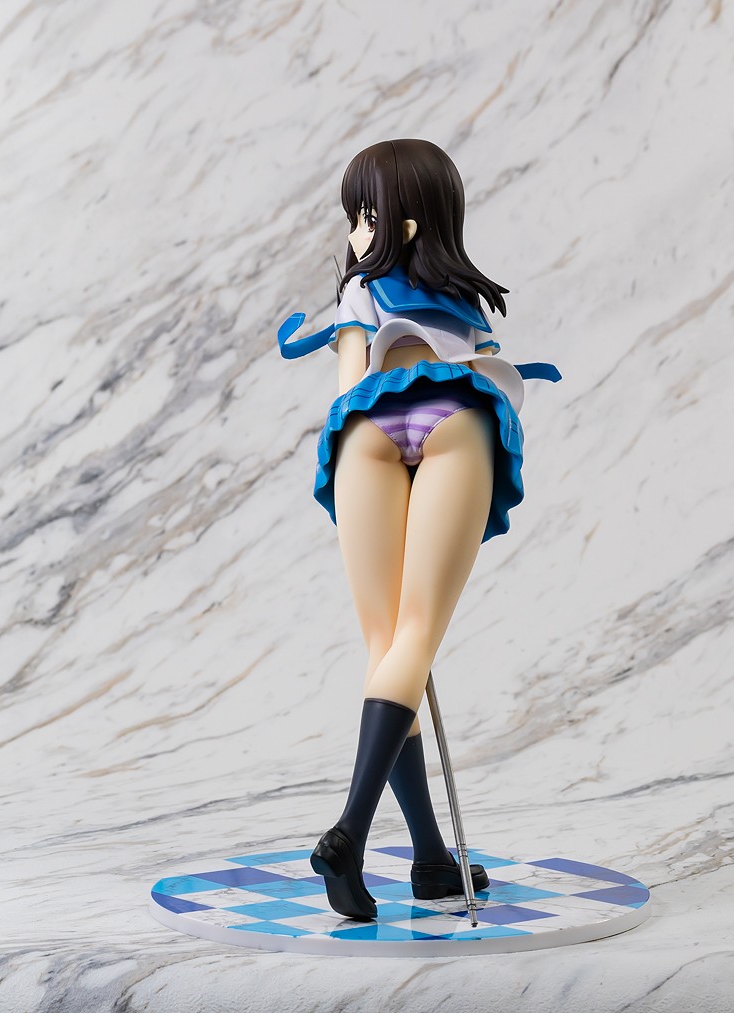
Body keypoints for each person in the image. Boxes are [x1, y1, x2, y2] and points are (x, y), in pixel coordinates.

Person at [277, 139, 559, 921]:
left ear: (404, 223)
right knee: (415, 637)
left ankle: (430, 859)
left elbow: (349, 388)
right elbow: (496, 376)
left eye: (365, 216)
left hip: (365, 431)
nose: (355, 233)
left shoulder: (358, 296)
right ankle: (352, 833)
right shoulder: (465, 301)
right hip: (453, 420)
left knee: (389, 648)